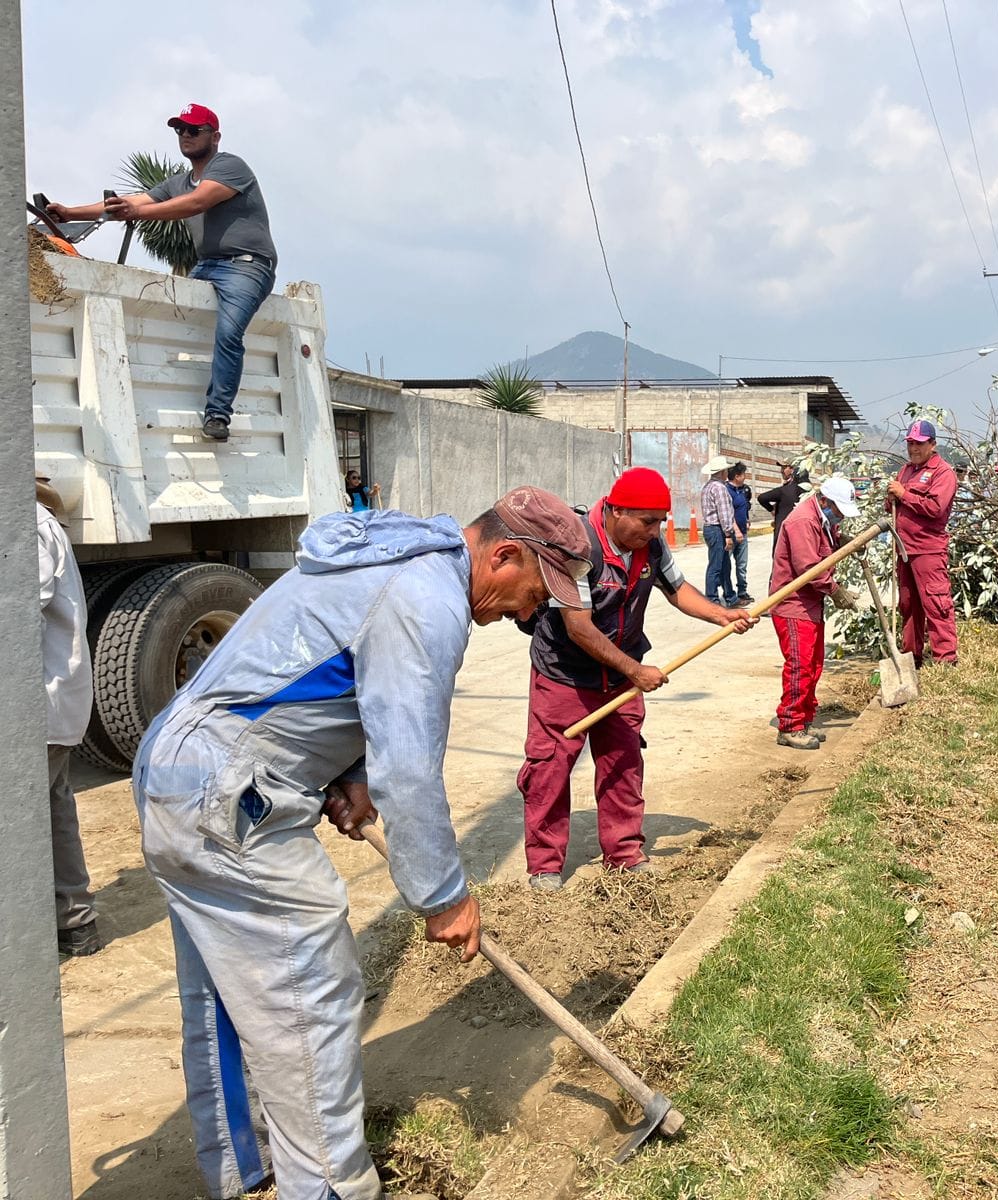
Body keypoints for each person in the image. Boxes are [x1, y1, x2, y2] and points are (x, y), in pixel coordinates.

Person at [132, 484, 592, 1200]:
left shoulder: (395, 560)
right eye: (536, 592)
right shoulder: (427, 599)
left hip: (185, 771)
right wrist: (444, 895)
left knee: (224, 993)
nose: (528, 615)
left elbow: (318, 673)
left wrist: (346, 775)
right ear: (503, 553)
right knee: (307, 991)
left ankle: (244, 1175)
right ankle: (329, 1189)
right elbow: (409, 768)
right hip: (227, 791)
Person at [519, 468, 755, 886]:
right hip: (565, 675)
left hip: (621, 676)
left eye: (660, 521)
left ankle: (624, 853)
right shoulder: (575, 547)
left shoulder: (650, 544)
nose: (655, 530)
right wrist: (635, 670)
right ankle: (545, 865)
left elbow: (677, 589)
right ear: (615, 511)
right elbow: (579, 626)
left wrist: (722, 615)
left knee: (624, 764)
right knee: (549, 770)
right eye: (647, 521)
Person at [47, 103, 275, 443]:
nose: (185, 135)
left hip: (246, 265)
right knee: (168, 325)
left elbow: (197, 203)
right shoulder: (178, 182)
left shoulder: (230, 166)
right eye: (180, 129)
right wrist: (69, 212)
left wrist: (140, 212)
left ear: (215, 136)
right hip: (208, 265)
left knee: (228, 333)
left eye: (194, 130)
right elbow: (131, 201)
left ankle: (217, 415)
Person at [37, 490, 101, 958]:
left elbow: (19, 613)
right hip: (49, 701)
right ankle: (75, 923)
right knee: (53, 805)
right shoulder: (38, 522)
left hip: (39, 701)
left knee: (27, 815)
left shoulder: (27, 526)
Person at [769, 476, 864, 750]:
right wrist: (836, 590)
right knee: (800, 665)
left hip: (809, 605)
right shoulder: (803, 521)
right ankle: (790, 725)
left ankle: (805, 719)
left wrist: (845, 541)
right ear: (824, 501)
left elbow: (827, 540)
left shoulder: (820, 519)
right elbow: (808, 567)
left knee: (813, 665)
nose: (839, 518)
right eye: (837, 511)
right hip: (793, 605)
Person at [888, 418, 959, 666]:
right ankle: (912, 657)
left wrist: (904, 494)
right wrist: (891, 497)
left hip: (928, 550)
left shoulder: (943, 473)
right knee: (908, 605)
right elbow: (894, 505)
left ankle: (945, 660)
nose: (913, 449)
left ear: (932, 444)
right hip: (904, 549)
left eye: (919, 444)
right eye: (910, 443)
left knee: (936, 603)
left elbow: (936, 508)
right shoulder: (906, 470)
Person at [699, 455, 741, 606]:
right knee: (717, 565)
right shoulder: (720, 488)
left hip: (711, 528)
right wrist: (728, 534)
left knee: (723, 564)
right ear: (722, 472)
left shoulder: (707, 487)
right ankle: (712, 598)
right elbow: (724, 513)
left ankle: (730, 596)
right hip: (718, 529)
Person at [726, 462, 755, 605]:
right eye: (743, 474)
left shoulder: (744, 490)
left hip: (743, 533)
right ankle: (728, 594)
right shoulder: (726, 491)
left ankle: (742, 592)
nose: (745, 477)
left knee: (742, 565)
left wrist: (747, 520)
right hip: (731, 534)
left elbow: (744, 508)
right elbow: (728, 515)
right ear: (737, 476)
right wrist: (736, 531)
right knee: (726, 565)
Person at [758, 461, 808, 542]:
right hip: (801, 533)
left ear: (792, 470)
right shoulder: (809, 492)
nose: (781, 471)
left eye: (784, 468)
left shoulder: (785, 490)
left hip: (783, 533)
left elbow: (762, 498)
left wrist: (771, 509)